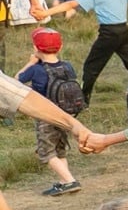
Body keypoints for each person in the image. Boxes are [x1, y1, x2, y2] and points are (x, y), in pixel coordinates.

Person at [17, 29, 85, 195]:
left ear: (35, 48)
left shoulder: (36, 70)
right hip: (65, 114)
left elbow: (15, 81)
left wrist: (30, 63)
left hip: (45, 116)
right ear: (60, 47)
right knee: (59, 149)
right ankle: (63, 181)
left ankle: (70, 180)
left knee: (46, 152)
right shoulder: (67, 66)